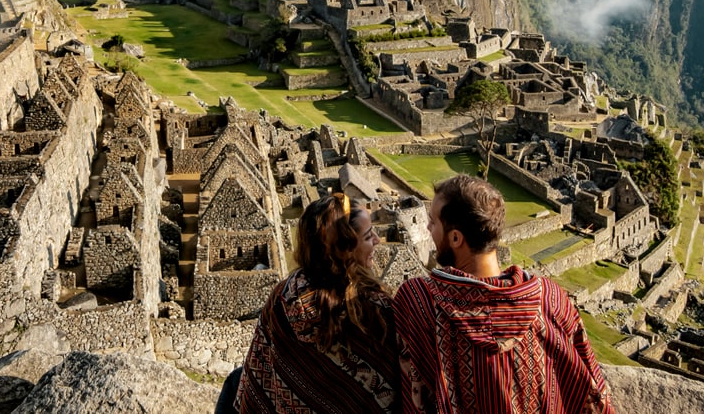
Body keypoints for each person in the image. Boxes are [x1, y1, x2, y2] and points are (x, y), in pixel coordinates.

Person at [394, 174, 615, 414]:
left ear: (456, 238)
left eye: (433, 222)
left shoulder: (419, 300)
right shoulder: (550, 299)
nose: (428, 228)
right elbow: (593, 391)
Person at [226, 194, 399, 413]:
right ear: (345, 249)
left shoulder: (283, 298)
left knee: (234, 381)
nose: (377, 239)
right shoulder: (375, 312)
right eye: (367, 236)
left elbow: (259, 378)